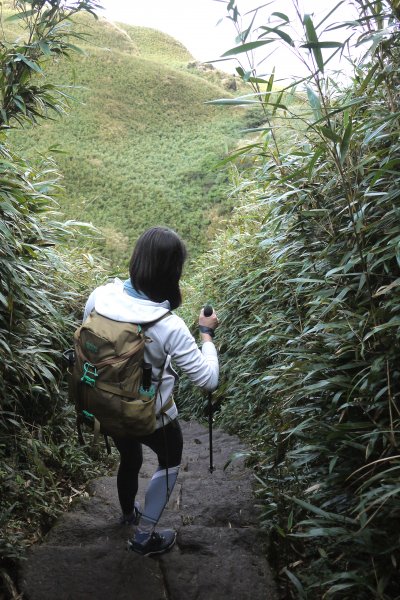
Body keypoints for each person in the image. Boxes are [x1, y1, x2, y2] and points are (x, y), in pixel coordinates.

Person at [82, 226, 219, 556]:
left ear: (136, 259)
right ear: (173, 272)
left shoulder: (99, 297)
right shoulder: (166, 323)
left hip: (108, 405)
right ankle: (144, 537)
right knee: (170, 460)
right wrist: (206, 337)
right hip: (151, 415)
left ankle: (128, 514)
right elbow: (208, 380)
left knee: (129, 457)